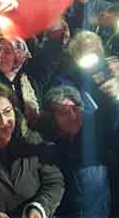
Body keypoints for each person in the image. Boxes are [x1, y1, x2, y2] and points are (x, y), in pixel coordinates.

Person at [0, 82, 65, 218]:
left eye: (7, 111)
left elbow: (54, 182)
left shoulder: (33, 142)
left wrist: (40, 207)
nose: (4, 121)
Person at [41, 85, 110, 218]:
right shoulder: (47, 150)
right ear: (51, 118)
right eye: (64, 112)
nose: (72, 116)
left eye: (75, 109)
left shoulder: (97, 139)